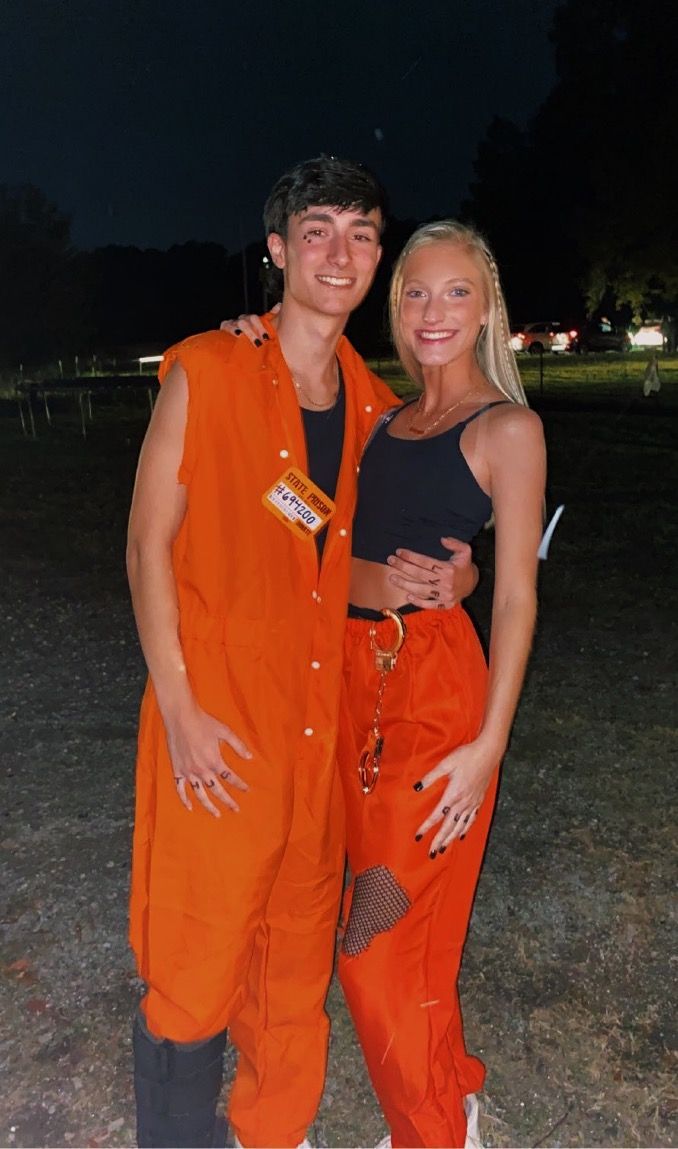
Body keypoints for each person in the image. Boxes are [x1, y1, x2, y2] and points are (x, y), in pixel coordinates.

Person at [126, 157, 477, 1149]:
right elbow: (147, 544)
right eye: (316, 229)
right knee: (193, 969)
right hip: (218, 735)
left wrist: (449, 583)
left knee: (290, 976)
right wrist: (183, 711)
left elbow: (349, 569)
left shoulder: (376, 410)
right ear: (276, 250)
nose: (340, 250)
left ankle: (270, 1135)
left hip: (317, 754)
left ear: (376, 257)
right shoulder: (211, 367)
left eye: (361, 232)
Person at [226, 220, 545, 1148]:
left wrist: (488, 745)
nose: (432, 312)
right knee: (400, 934)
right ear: (393, 306)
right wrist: (257, 343)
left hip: (439, 696)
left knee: (371, 943)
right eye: (415, 291)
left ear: (485, 307)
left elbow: (517, 597)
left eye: (454, 292)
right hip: (345, 687)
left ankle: (432, 1133)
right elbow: (308, 521)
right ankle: (453, 1092)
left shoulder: (509, 428)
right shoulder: (378, 418)